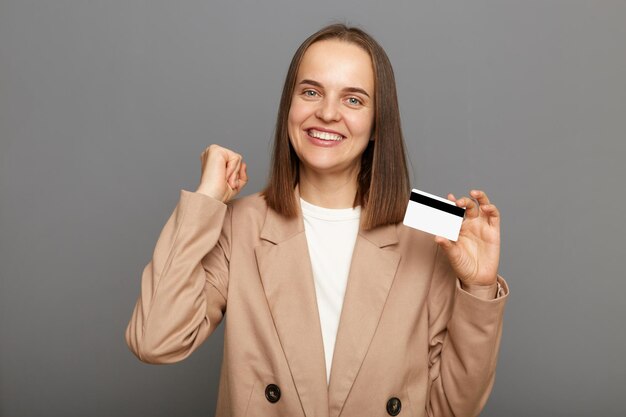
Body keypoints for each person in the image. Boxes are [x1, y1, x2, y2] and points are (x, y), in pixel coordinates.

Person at [126, 24, 509, 417]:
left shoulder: (436, 225)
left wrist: (478, 287)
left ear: (379, 123)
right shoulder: (239, 222)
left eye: (354, 100)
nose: (327, 113)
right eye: (311, 92)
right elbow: (155, 340)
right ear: (289, 106)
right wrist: (206, 200)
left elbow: (454, 407)